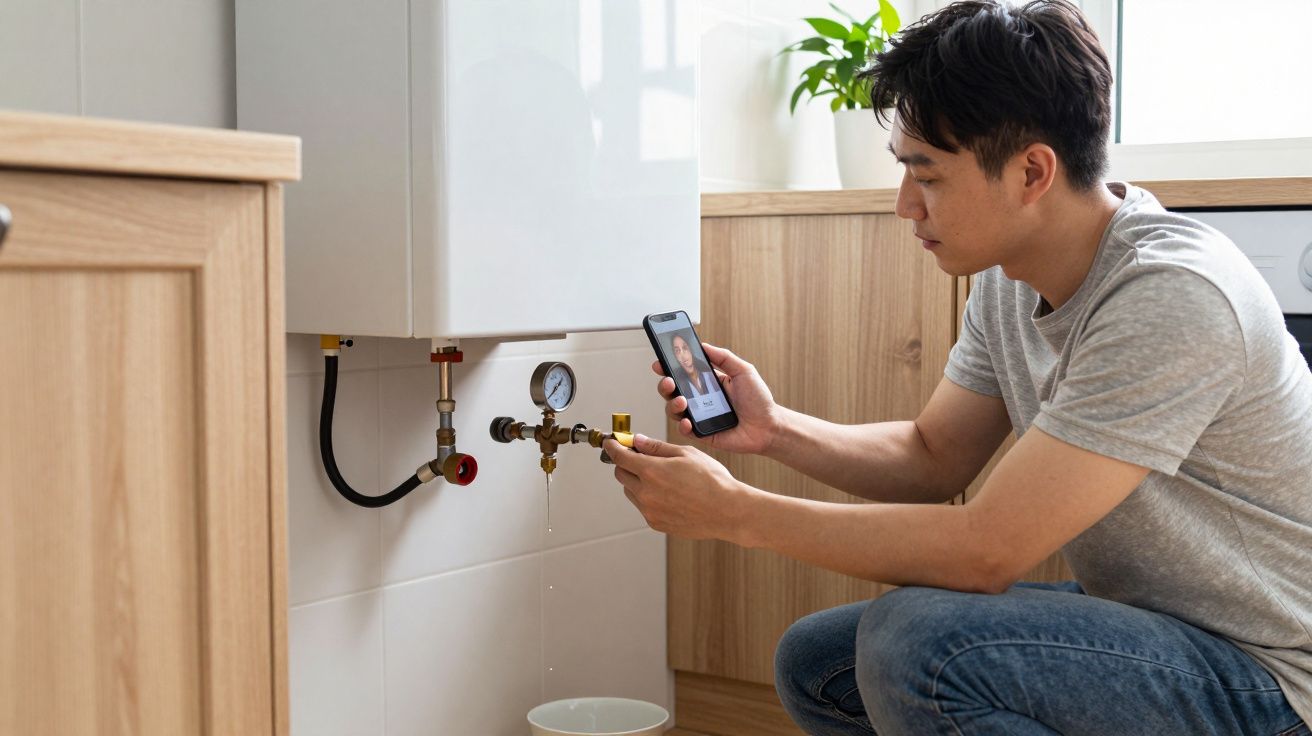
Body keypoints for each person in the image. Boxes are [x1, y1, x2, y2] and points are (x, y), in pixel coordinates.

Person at [600, 1, 1312, 733]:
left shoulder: (1171, 292)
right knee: (820, 661)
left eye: (928, 176)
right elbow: (932, 455)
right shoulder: (1011, 277)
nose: (905, 205)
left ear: (1032, 171)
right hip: (1157, 631)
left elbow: (987, 551)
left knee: (920, 644)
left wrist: (737, 515)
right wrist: (775, 430)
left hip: (1273, 673)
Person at [668, 332, 720, 399]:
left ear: (690, 349)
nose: (682, 355)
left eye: (685, 347)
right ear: (675, 357)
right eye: (677, 351)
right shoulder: (678, 383)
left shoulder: (710, 375)